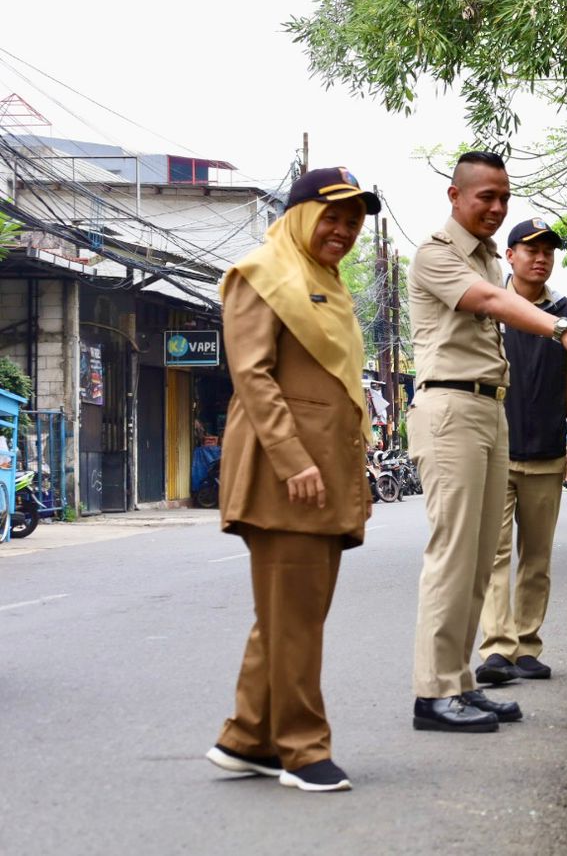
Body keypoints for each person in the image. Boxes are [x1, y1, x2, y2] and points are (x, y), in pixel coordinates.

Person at [407, 151, 567, 734]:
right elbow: (495, 303)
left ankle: (461, 683)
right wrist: (565, 329)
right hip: (451, 406)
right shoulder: (436, 254)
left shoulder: (485, 257)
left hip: (489, 411)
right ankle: (433, 693)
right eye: (485, 198)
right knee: (455, 557)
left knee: (478, 563)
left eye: (504, 197)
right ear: (455, 197)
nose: (497, 208)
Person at [206, 166, 381, 793]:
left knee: (287, 614)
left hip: (324, 470)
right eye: (332, 215)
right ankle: (302, 749)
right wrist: (292, 458)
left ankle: (247, 737)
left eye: (354, 221)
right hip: (289, 474)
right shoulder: (262, 274)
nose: (343, 230)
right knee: (297, 615)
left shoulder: (323, 284)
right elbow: (252, 375)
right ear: (301, 213)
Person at [475, 218, 567, 687]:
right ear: (510, 255)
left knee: (536, 556)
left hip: (546, 451)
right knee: (495, 554)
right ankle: (497, 648)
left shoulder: (565, 314)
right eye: (531, 249)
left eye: (548, 250)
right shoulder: (487, 305)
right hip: (495, 448)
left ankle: (526, 646)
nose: (540, 257)